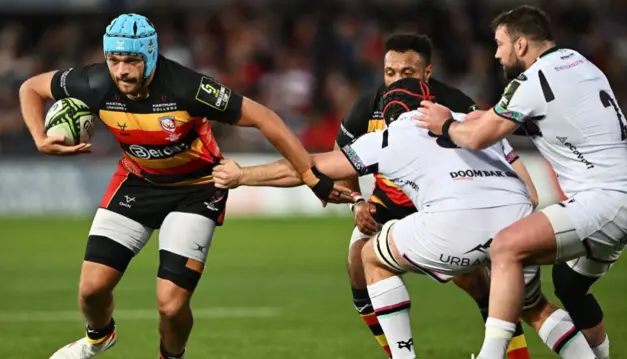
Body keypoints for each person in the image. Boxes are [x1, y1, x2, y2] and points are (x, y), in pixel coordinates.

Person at [18, 13, 346, 359]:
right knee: (91, 291)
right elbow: (31, 88)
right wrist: (40, 138)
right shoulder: (95, 82)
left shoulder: (187, 87)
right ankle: (98, 338)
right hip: (138, 183)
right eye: (114, 60)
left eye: (131, 60)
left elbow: (265, 118)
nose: (121, 71)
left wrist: (311, 178)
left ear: (151, 55)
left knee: (171, 307)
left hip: (196, 190)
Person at [212, 77, 593, 359]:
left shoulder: (395, 134)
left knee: (370, 255)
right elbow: (516, 166)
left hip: (459, 224)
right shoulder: (465, 116)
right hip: (518, 221)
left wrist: (244, 175)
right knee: (533, 305)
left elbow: (306, 167)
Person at [414, 5, 627, 359]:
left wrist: (445, 124)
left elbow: (479, 137)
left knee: (506, 247)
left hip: (605, 199)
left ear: (522, 44)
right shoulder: (578, 62)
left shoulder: (532, 80)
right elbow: (547, 118)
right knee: (570, 285)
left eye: (500, 44)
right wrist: (475, 118)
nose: (496, 53)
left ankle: (490, 356)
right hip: (618, 193)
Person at [334, 33, 535, 359]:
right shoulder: (367, 106)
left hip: (443, 206)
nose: (396, 80)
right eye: (390, 73)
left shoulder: (453, 103)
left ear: (427, 73)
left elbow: (490, 145)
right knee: (357, 262)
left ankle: (515, 352)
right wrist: (357, 201)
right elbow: (341, 158)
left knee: (475, 282)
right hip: (387, 205)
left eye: (407, 73)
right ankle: (396, 352)